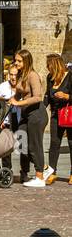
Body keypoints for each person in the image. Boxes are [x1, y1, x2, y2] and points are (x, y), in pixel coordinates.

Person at [11, 48, 51, 187]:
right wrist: (7, 99)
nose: (16, 63)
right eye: (15, 60)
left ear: (26, 61)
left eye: (19, 61)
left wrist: (18, 103)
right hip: (26, 114)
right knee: (21, 142)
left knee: (35, 144)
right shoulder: (21, 75)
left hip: (37, 114)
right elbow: (17, 95)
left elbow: (37, 97)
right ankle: (29, 171)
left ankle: (40, 177)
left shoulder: (33, 75)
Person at [47, 54, 72, 183]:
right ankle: (52, 172)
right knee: (54, 143)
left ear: (55, 66)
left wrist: (66, 96)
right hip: (56, 115)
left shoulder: (70, 76)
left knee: (71, 143)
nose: (47, 68)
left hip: (69, 114)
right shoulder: (50, 78)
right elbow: (47, 96)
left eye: (49, 66)